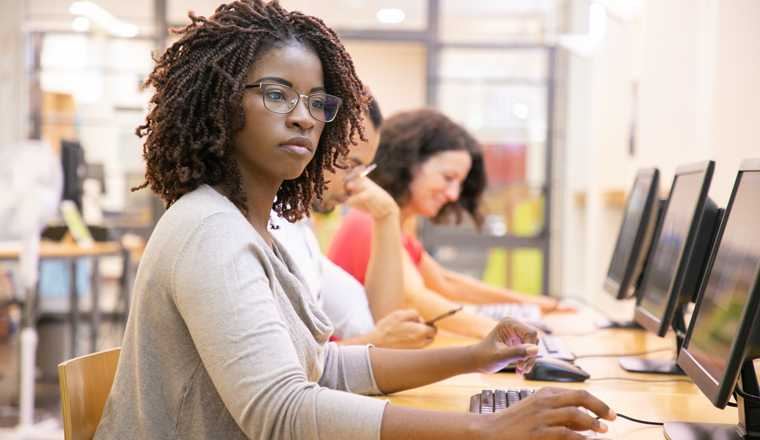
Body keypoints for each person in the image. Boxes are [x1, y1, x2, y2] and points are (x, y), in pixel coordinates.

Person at [95, 1, 615, 439]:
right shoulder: (209, 230)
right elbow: (282, 412)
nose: (303, 116)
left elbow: (323, 368)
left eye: (318, 103)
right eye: (277, 94)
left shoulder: (253, 228)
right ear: (221, 102)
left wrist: (472, 357)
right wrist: (483, 427)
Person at [328, 108, 573, 339]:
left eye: (459, 183)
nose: (453, 194)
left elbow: (445, 282)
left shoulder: (394, 227)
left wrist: (526, 302)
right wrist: (499, 331)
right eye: (448, 178)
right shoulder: (369, 220)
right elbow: (413, 298)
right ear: (409, 163)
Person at [270, 96, 436, 348]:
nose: (354, 184)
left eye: (362, 171)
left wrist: (387, 215)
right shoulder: (269, 228)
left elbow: (378, 324)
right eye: (351, 166)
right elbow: (280, 365)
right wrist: (374, 340)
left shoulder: (299, 232)